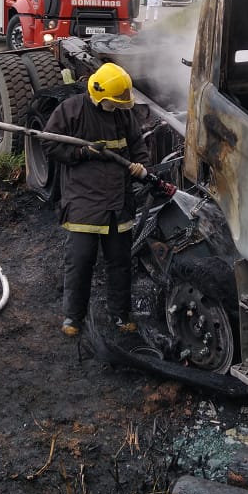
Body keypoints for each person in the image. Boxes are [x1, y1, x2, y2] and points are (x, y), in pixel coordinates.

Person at [43, 62, 150, 337]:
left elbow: (138, 146)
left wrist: (141, 166)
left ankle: (120, 314)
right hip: (84, 203)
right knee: (79, 261)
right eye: (113, 103)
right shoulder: (71, 110)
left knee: (120, 262)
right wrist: (82, 153)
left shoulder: (123, 116)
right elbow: (50, 144)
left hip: (118, 203)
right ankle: (73, 317)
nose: (117, 107)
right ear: (98, 95)